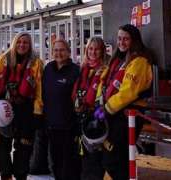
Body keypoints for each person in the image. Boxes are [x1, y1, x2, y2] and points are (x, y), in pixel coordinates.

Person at [92, 24, 153, 180]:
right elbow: (103, 82)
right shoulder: (117, 61)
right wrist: (99, 105)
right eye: (119, 38)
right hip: (113, 114)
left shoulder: (139, 62)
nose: (122, 42)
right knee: (114, 160)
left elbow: (128, 92)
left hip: (127, 115)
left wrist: (106, 109)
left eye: (126, 39)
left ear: (134, 40)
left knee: (115, 160)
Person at [0, 32, 43, 180]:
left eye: (26, 42)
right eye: (19, 42)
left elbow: (39, 89)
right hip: (3, 107)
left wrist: (38, 112)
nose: (22, 45)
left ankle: (21, 176)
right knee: (1, 147)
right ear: (14, 43)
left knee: (23, 148)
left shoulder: (36, 64)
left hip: (25, 109)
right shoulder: (2, 60)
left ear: (30, 45)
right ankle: (6, 176)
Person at [71, 37, 110, 180]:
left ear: (102, 51)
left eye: (97, 49)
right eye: (90, 49)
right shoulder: (82, 69)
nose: (93, 52)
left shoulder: (105, 69)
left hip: (95, 122)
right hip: (80, 119)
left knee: (94, 162)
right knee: (82, 160)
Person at [42, 38, 80, 180]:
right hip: (51, 125)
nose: (59, 53)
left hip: (69, 126)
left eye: (62, 50)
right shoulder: (48, 69)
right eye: (56, 50)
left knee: (69, 164)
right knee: (55, 163)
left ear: (69, 52)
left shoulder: (75, 71)